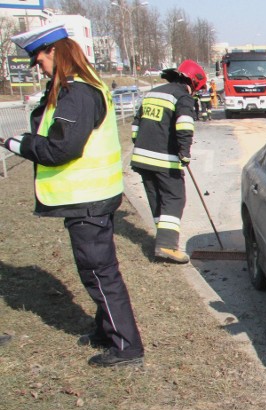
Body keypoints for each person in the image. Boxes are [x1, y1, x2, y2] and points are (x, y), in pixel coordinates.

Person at [2, 23, 144, 367]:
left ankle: (127, 347)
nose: (39, 66)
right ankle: (106, 331)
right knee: (98, 270)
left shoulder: (77, 93)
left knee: (99, 273)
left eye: (40, 58)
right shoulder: (81, 87)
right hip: (94, 196)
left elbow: (60, 148)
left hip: (88, 199)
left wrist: (18, 143)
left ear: (58, 52)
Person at [130, 60, 206, 264]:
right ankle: (166, 246)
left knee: (157, 198)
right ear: (193, 82)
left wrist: (140, 144)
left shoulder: (153, 93)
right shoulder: (182, 96)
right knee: (174, 199)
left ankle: (162, 240)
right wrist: (184, 152)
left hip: (141, 158)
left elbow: (136, 125)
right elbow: (184, 127)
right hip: (164, 159)